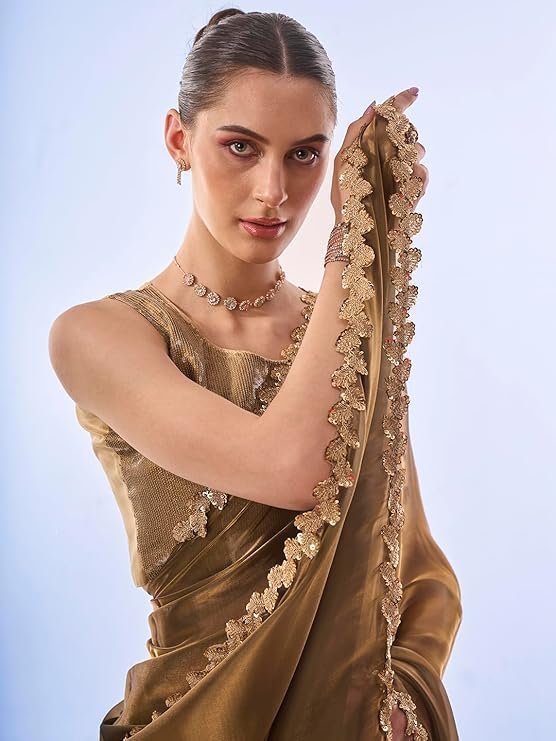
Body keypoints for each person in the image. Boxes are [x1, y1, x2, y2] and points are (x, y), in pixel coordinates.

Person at [48, 8, 462, 740]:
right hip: (195, 719)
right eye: (241, 146)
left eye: (305, 155)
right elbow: (293, 466)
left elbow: (418, 567)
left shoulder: (335, 324)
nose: (274, 189)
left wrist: (403, 697)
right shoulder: (99, 335)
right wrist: (354, 239)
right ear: (179, 139)